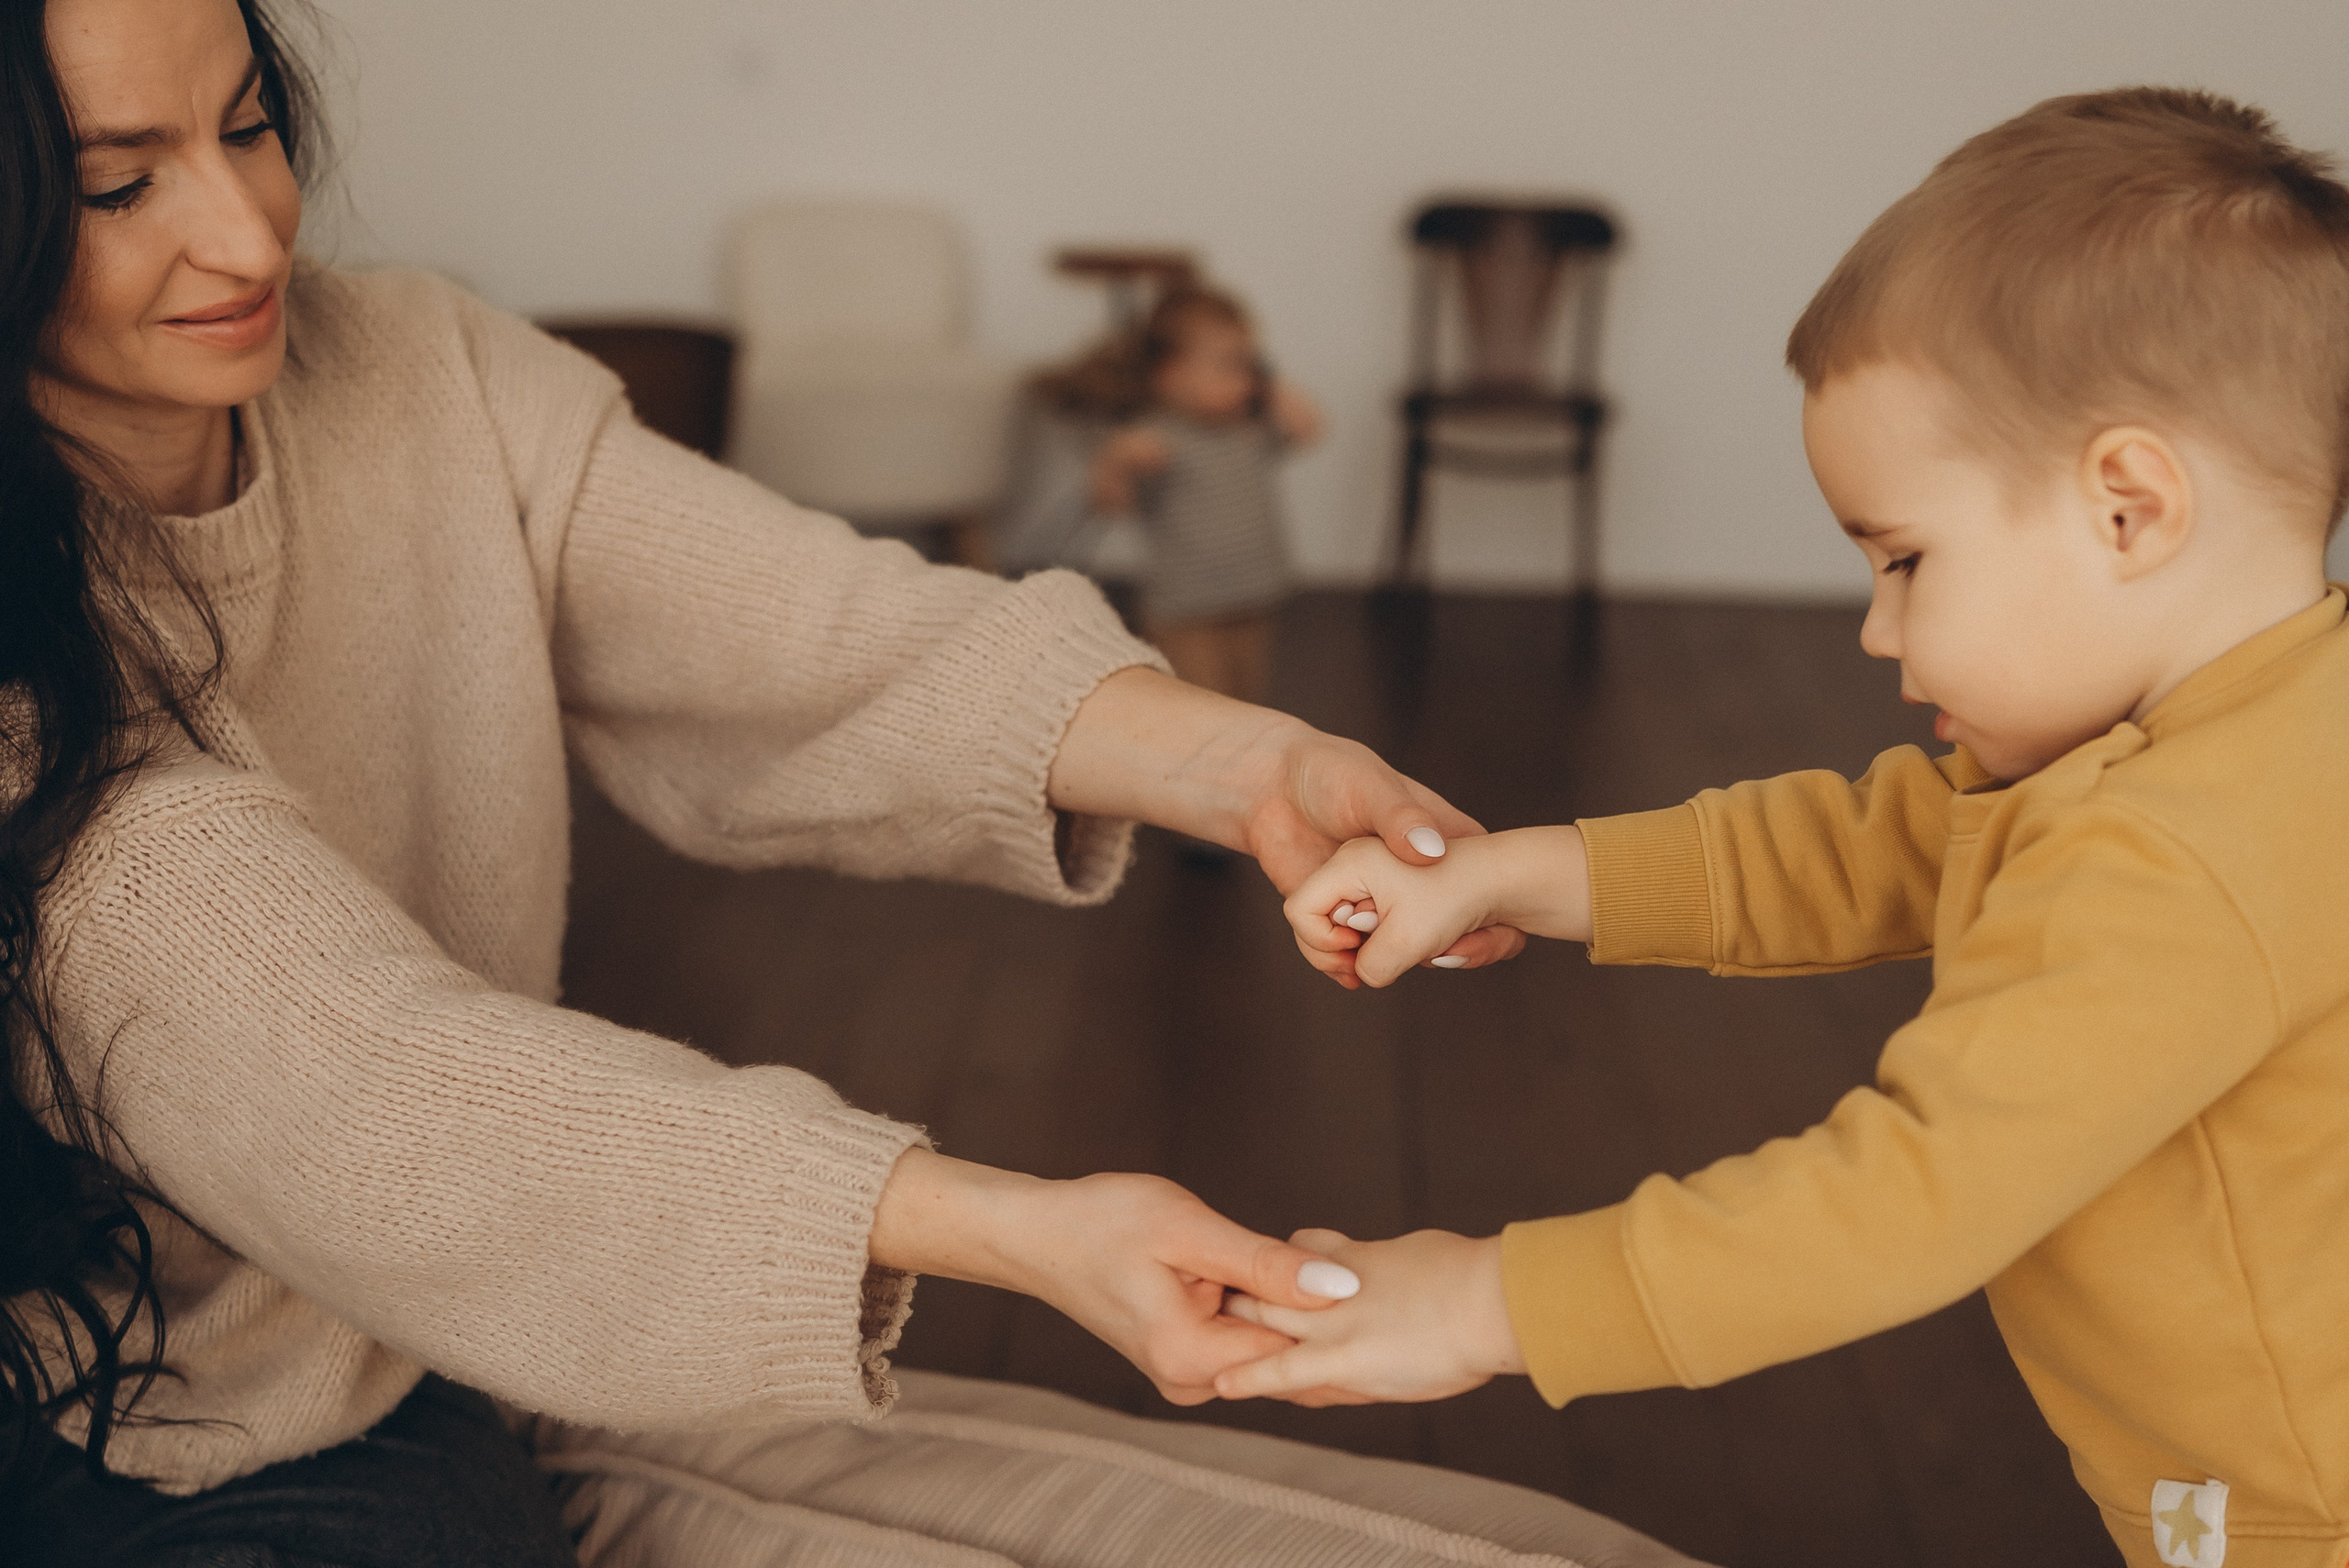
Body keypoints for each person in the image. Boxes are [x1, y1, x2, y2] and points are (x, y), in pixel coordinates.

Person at [0, 3, 1718, 1567]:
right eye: (115, 185)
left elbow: (815, 626)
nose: (244, 230)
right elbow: (385, 1090)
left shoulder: (417, 373)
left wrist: (1251, 761)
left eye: (246, 127)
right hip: (157, 1446)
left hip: (468, 1341)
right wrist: (1016, 1226)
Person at [1230, 88, 2349, 1568]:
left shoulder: (2185, 856)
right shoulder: (2241, 733)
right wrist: (1514, 869)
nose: (1879, 627)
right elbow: (1848, 850)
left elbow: (1908, 1194)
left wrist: (1484, 1300)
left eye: (1903, 559)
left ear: (2130, 508)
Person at [1044, 284, 1321, 709]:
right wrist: (1114, 463)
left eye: (1249, 364)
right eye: (1229, 366)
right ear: (1171, 374)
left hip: (1253, 592)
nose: (1244, 378)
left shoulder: (1247, 430)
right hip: (1186, 608)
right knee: (1201, 703)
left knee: (1250, 699)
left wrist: (1269, 381)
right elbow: (1108, 502)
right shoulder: (1156, 438)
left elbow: (1306, 428)